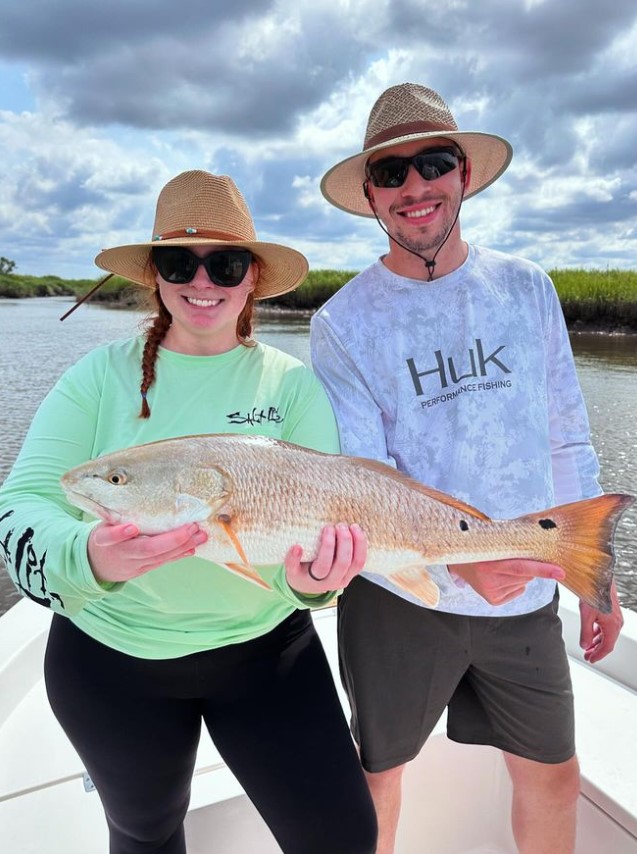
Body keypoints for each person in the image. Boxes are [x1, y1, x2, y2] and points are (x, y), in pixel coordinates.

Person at [0, 170, 377, 854]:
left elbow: (311, 553)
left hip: (266, 655)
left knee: (344, 838)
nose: (203, 282)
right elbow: (20, 506)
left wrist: (317, 582)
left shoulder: (293, 386)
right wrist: (89, 557)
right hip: (110, 661)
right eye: (180, 262)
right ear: (154, 275)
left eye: (226, 263)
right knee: (145, 836)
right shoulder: (94, 378)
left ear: (254, 277)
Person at [310, 83, 624, 854]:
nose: (415, 186)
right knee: (377, 777)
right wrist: (463, 567)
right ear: (369, 195)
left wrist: (597, 576)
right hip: (398, 598)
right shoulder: (341, 323)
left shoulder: (528, 288)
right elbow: (366, 485)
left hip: (524, 592)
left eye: (435, 162)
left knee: (553, 773)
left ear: (465, 176)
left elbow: (567, 436)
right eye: (392, 173)